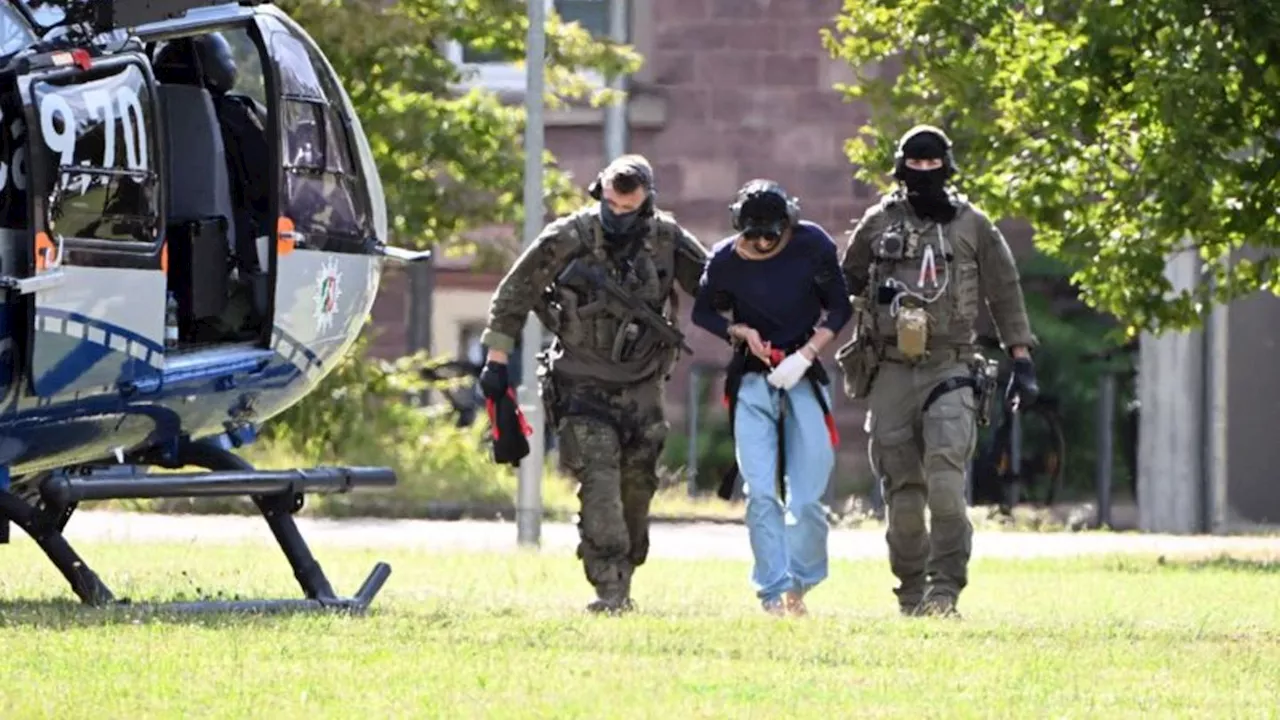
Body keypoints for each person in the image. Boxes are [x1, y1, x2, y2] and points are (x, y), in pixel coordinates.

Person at [477, 155, 709, 614]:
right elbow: (514, 293)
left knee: (636, 490)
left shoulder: (666, 240)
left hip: (643, 389)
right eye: (610, 204)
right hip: (581, 385)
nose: (617, 215)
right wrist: (496, 361)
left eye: (628, 207)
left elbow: (714, 286)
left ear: (646, 201)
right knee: (599, 484)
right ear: (599, 193)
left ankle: (625, 568)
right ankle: (610, 587)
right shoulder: (569, 238)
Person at [836, 124, 1040, 618]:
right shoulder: (878, 222)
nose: (923, 173)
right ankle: (911, 593)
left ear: (946, 168)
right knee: (903, 498)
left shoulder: (973, 225)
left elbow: (1005, 291)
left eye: (932, 165)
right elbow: (844, 280)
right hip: (889, 368)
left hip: (951, 365)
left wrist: (1021, 358)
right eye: (915, 165)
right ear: (900, 168)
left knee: (947, 488)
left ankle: (945, 589)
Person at [692, 179, 851, 617]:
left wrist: (805, 355)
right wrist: (740, 332)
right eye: (752, 233)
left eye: (771, 233)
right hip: (751, 378)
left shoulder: (811, 244)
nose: (762, 242)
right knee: (761, 492)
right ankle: (771, 592)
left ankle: (800, 584)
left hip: (802, 372)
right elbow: (703, 310)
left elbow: (840, 307)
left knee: (808, 497)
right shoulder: (725, 258)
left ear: (788, 225)